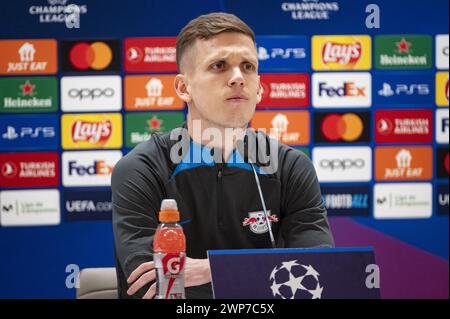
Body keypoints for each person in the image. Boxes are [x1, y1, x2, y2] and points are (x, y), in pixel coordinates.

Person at [112, 12, 334, 299]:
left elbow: (319, 274)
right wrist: (261, 274)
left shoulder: (291, 167)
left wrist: (213, 269)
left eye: (248, 66)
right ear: (183, 87)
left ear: (260, 88)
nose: (238, 78)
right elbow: (150, 286)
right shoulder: (142, 170)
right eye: (219, 65)